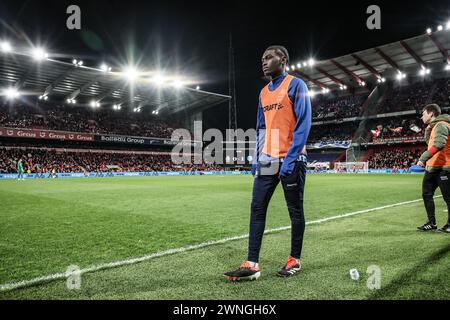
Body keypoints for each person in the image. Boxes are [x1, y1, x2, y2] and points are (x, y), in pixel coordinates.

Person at [224, 45, 311, 281]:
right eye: (262, 58)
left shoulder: (296, 85)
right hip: (267, 160)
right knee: (257, 208)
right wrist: (256, 158)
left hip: (292, 159)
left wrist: (291, 158)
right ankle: (252, 263)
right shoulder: (263, 93)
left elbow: (303, 124)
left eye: (269, 57)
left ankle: (294, 259)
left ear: (283, 59)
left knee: (295, 211)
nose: (264, 61)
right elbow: (261, 128)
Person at [417, 104, 450, 233]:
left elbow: (439, 144)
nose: (421, 116)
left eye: (423, 113)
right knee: (426, 194)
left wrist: (423, 158)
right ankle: (432, 222)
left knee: (448, 198)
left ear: (431, 114)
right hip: (432, 168)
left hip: (444, 167)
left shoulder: (441, 124)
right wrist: (427, 130)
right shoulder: (434, 126)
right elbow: (429, 143)